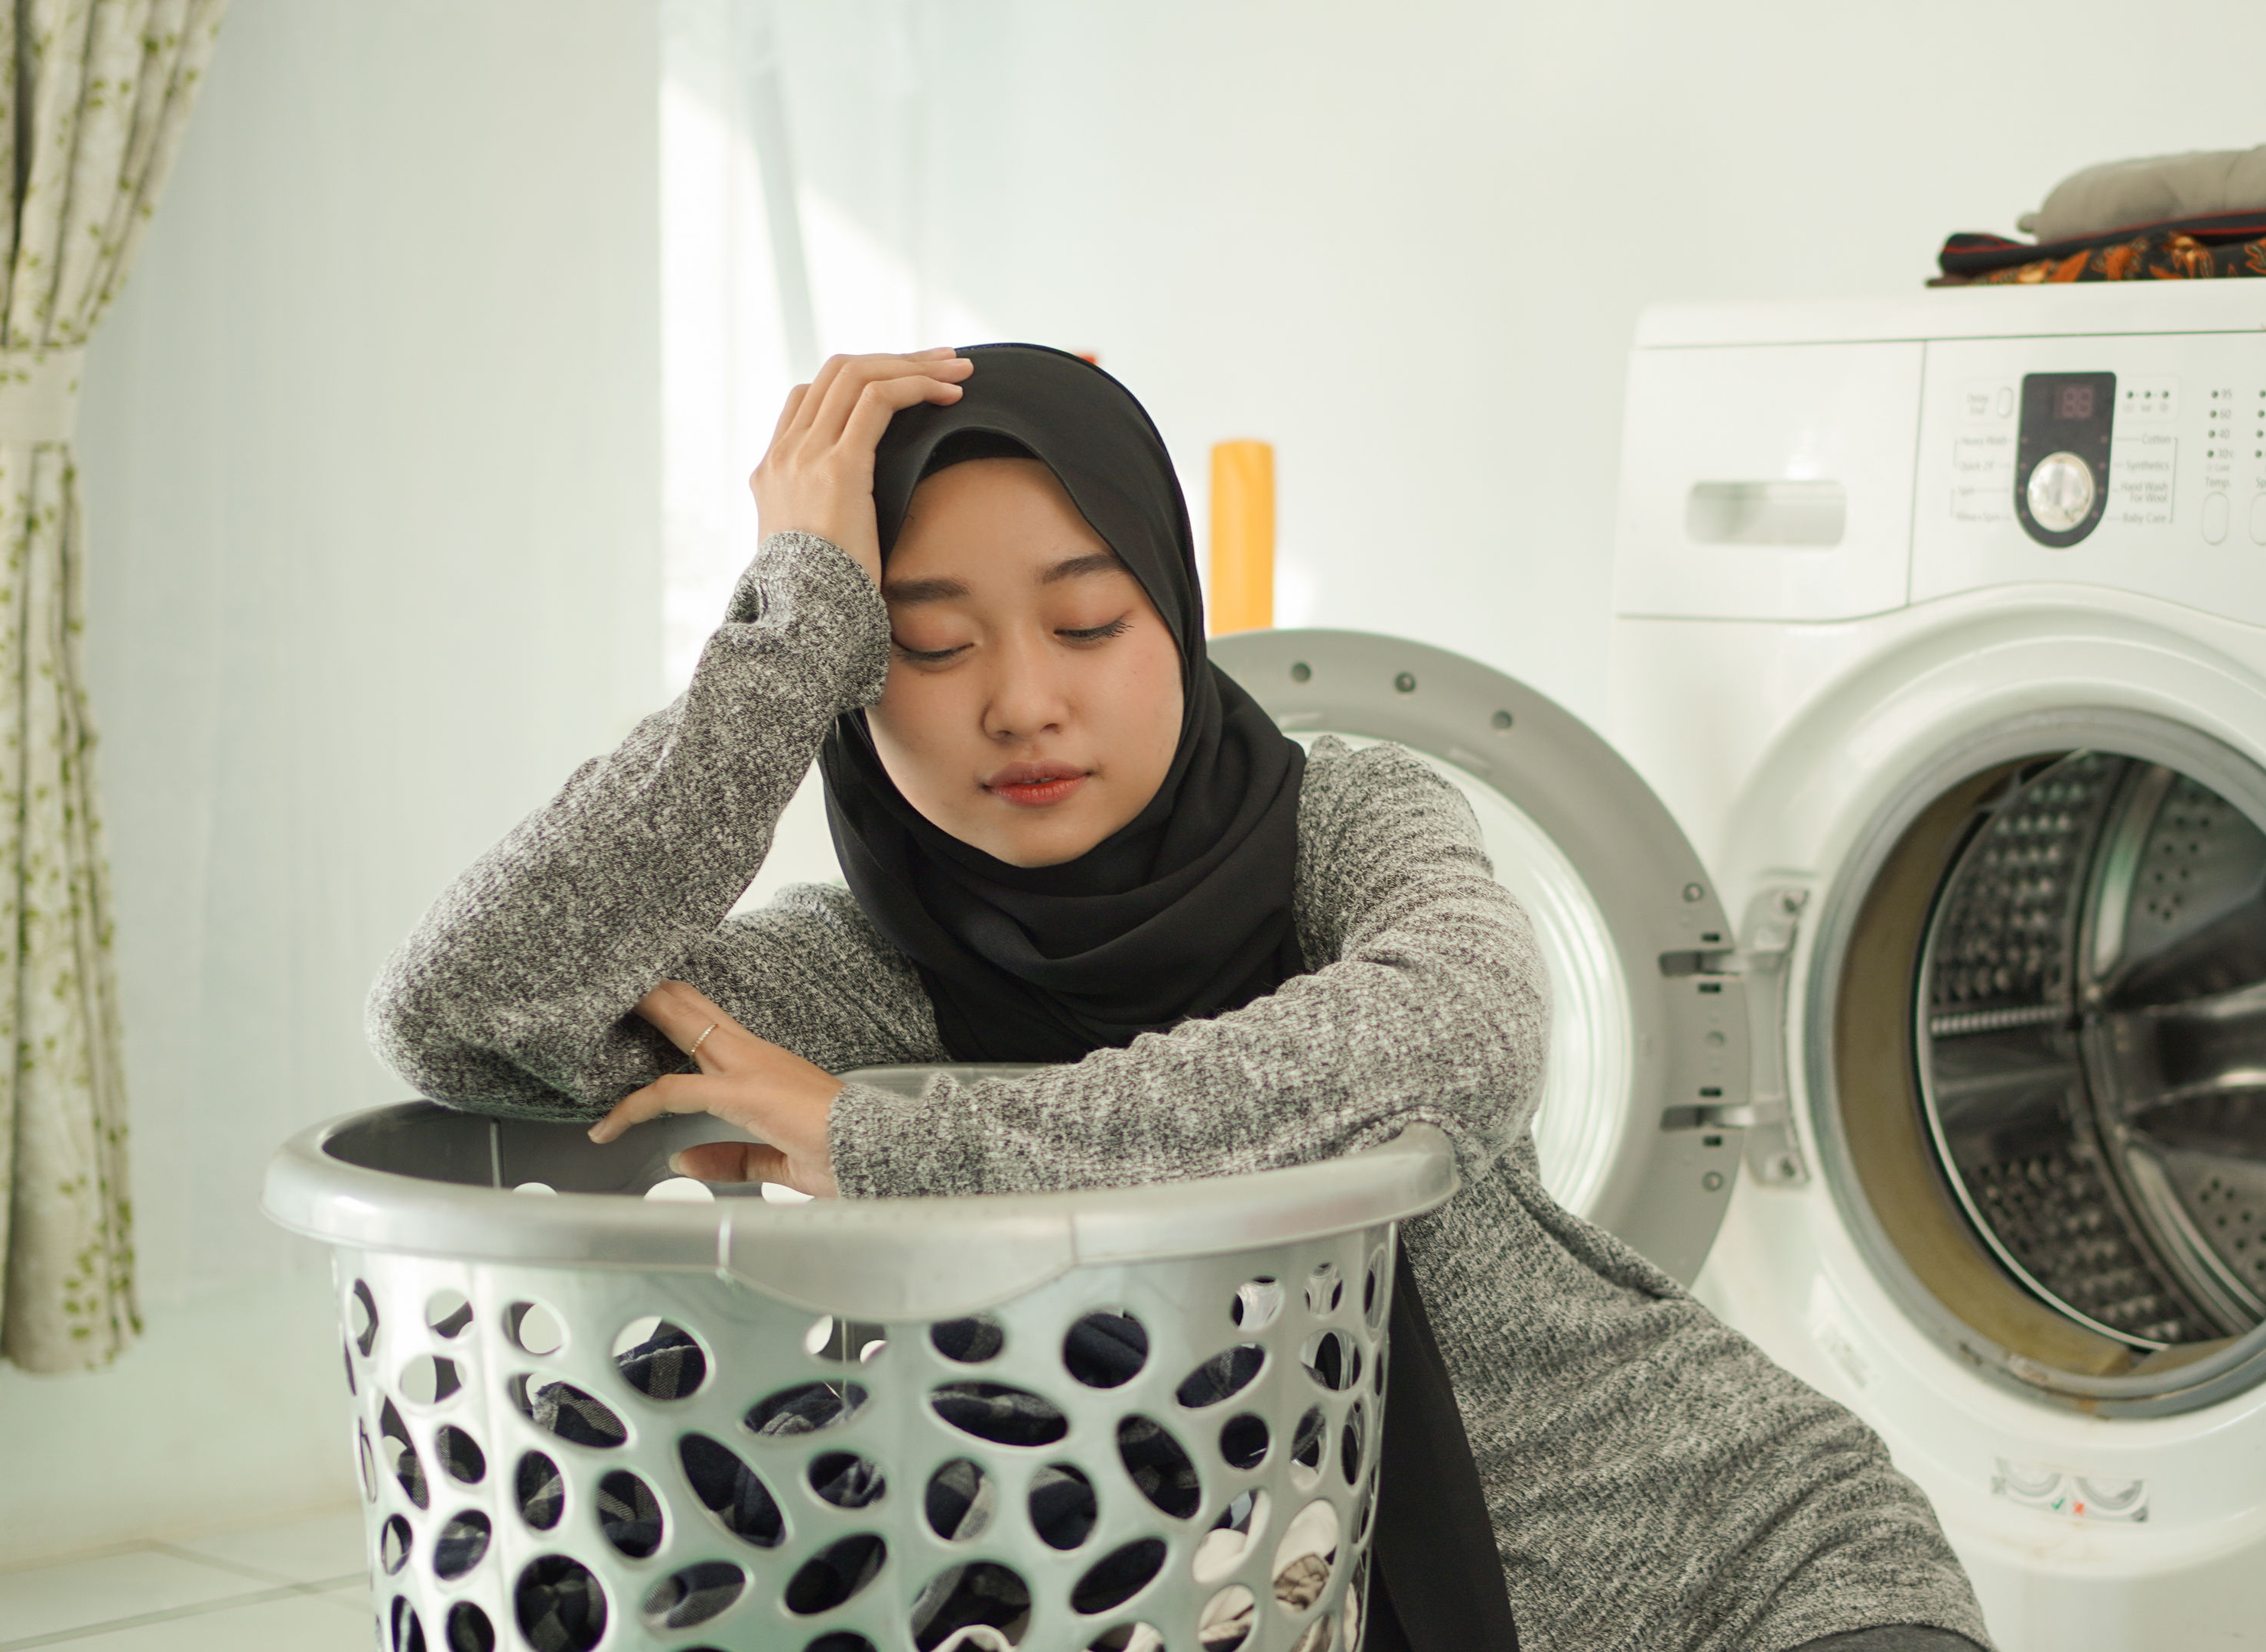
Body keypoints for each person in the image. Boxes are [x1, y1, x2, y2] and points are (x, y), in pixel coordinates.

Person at [369, 343, 1994, 1652]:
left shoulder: (1341, 819)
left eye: (1090, 621)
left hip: (1720, 1551)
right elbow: (467, 1016)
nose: (1025, 701)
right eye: (927, 650)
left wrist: (906, 1148)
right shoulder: (848, 981)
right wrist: (790, 628)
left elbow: (1467, 1026)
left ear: (1176, 615)